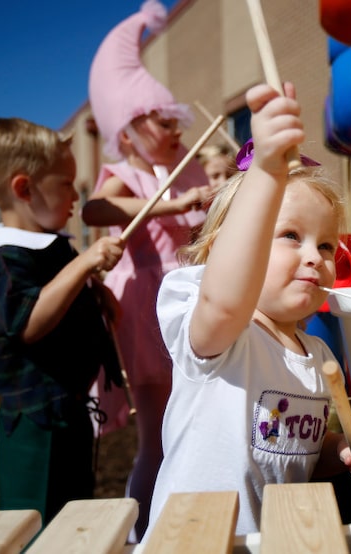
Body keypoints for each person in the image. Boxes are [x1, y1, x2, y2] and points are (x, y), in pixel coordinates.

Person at [142, 82, 351, 541]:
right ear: (223, 251)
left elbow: (295, 449)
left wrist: (342, 451)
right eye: (291, 235)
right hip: (192, 543)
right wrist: (268, 173)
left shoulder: (313, 354)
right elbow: (227, 297)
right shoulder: (221, 335)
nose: (315, 256)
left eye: (326, 244)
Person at [81, 0, 215, 540]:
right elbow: (94, 212)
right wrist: (168, 206)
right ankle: (143, 533)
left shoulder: (184, 172)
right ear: (132, 128)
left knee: (195, 423)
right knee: (156, 434)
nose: (176, 132)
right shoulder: (119, 173)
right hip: (145, 307)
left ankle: (184, 523)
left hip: (188, 295)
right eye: (164, 123)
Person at [0, 117, 126, 525]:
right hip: (35, 423)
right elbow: (29, 322)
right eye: (66, 183)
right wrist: (86, 263)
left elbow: (64, 296)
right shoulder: (9, 259)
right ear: (23, 188)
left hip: (67, 412)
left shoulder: (50, 247)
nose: (76, 194)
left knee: (72, 518)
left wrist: (96, 292)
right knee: (33, 522)